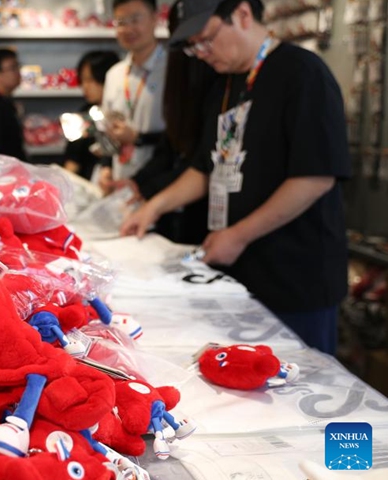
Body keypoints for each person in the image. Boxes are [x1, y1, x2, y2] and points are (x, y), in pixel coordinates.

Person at [120, 0, 351, 354]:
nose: (201, 53)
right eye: (194, 45)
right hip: (240, 273)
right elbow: (205, 168)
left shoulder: (302, 73)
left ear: (242, 14)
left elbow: (315, 177)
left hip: (295, 276)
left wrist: (238, 235)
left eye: (206, 39)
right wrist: (153, 207)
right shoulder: (225, 86)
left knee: (300, 386)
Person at [118, 0, 216, 244]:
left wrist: (150, 193)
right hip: (172, 199)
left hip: (200, 208)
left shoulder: (207, 70)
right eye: (121, 22)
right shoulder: (181, 62)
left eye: (135, 19)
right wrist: (140, 183)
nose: (199, 49)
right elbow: (174, 141)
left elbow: (203, 162)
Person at [99, 0, 167, 190]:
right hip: (121, 181)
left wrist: (138, 138)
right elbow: (107, 128)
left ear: (155, 18)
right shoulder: (114, 74)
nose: (128, 29)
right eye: (121, 22)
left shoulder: (173, 71)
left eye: (135, 19)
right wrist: (106, 168)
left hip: (161, 184)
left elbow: (183, 137)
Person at [63, 50, 119, 180]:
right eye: (82, 80)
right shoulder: (84, 114)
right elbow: (72, 160)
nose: (85, 86)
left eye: (90, 80)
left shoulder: (120, 114)